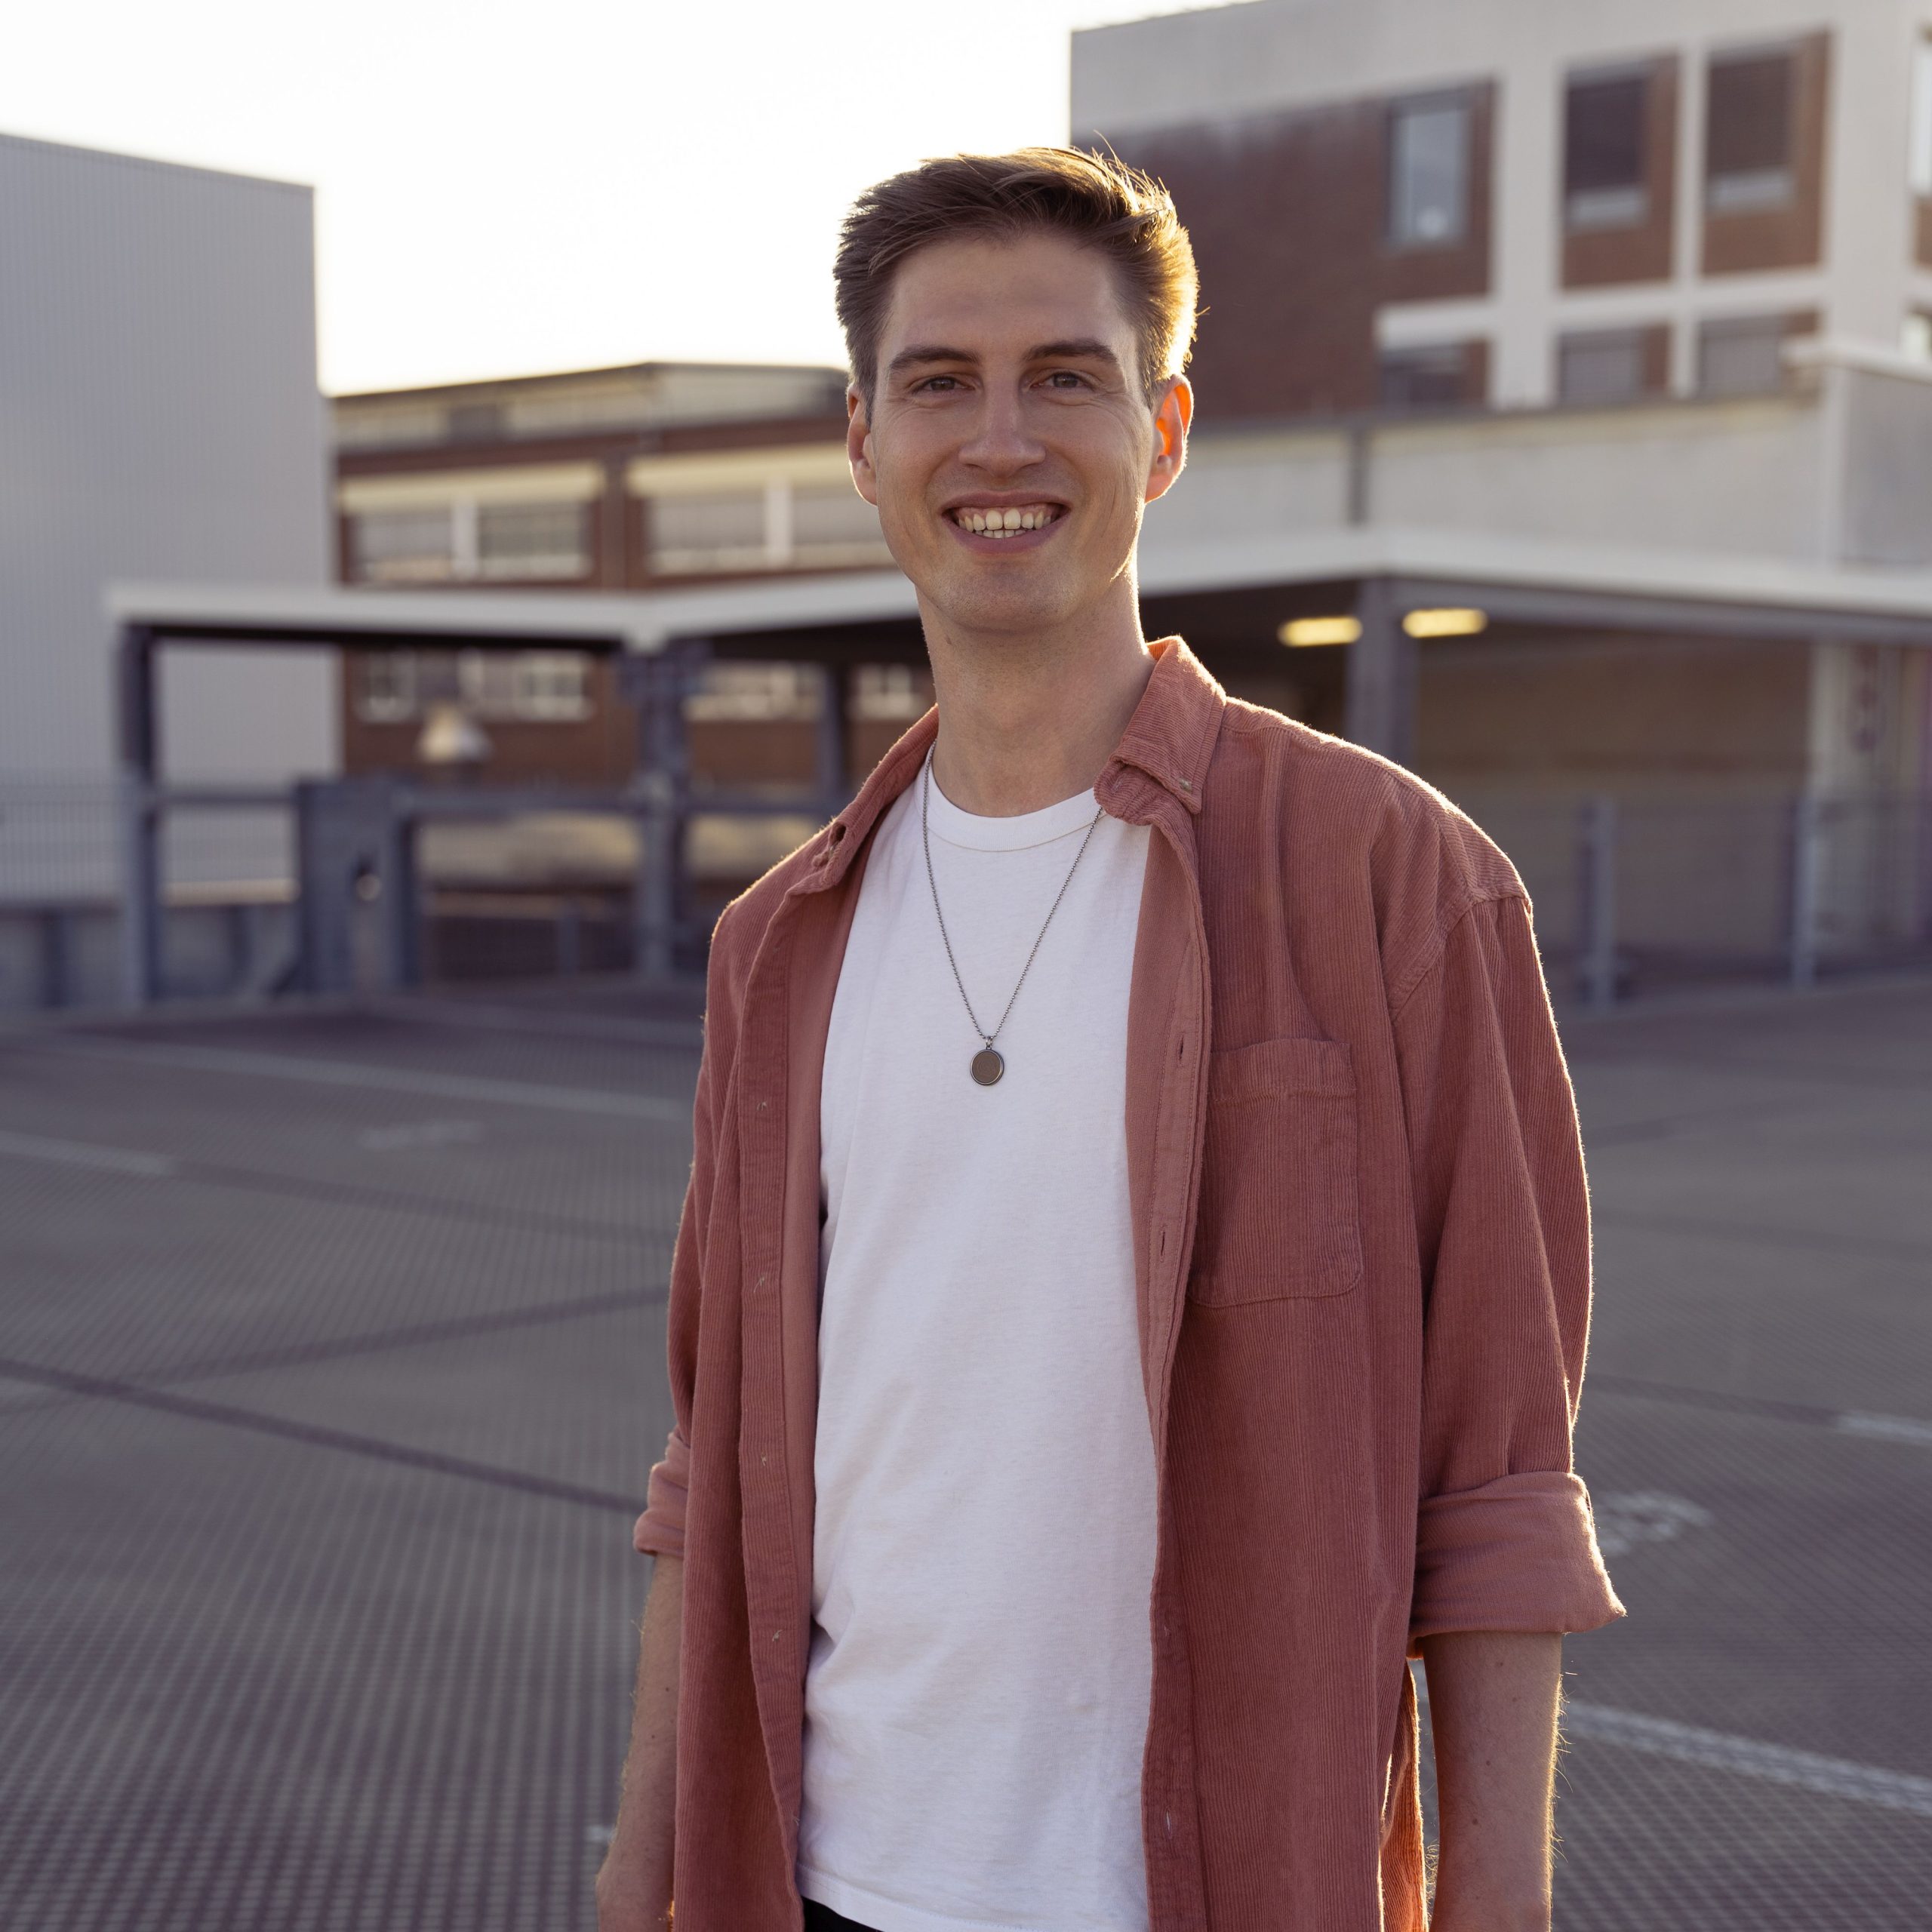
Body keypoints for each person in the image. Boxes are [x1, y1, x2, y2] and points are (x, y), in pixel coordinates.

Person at [595, 148, 1623, 1932]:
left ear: (1158, 432)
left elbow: (1498, 1469)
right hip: (824, 1872)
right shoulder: (776, 946)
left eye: (1063, 377)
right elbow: (713, 1468)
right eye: (939, 383)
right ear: (863, 441)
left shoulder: (1393, 881)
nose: (999, 439)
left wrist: (1497, 1901)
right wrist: (643, 1864)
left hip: (1216, 1884)